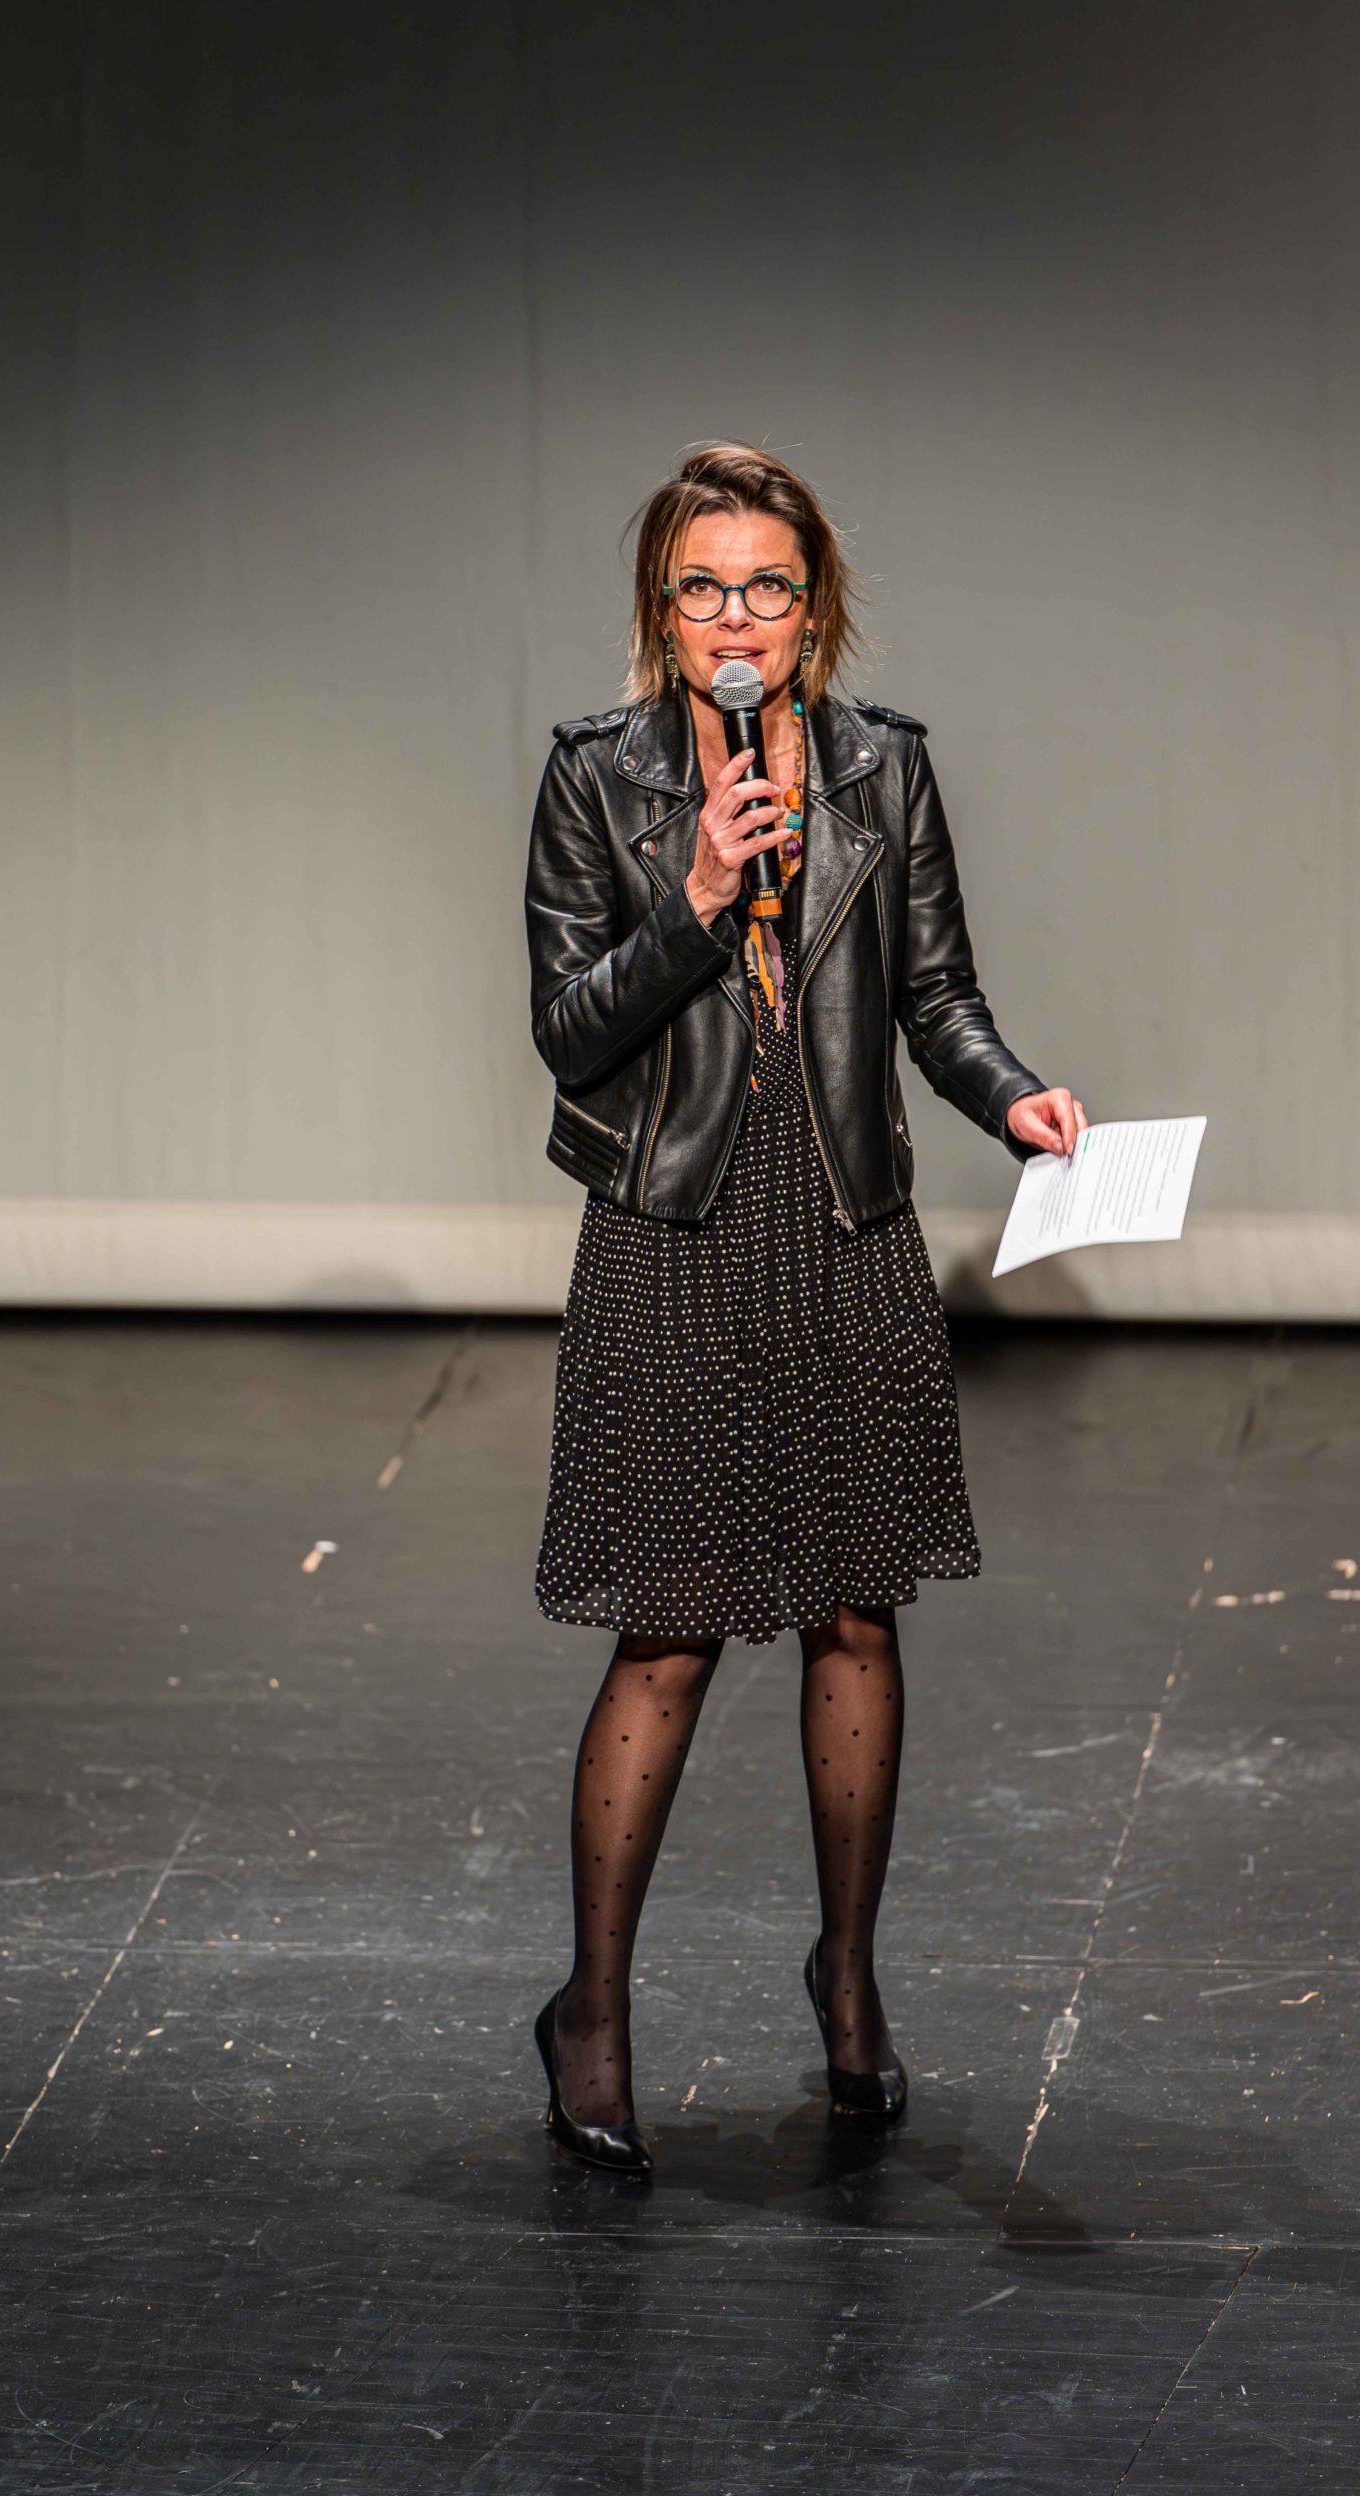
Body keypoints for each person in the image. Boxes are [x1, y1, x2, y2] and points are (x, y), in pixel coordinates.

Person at [523, 442, 1087, 2173]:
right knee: (672, 1626)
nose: (736, 618)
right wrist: (698, 900)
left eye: (767, 585)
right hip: (675, 1234)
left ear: (813, 608)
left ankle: (846, 1974)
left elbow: (938, 996)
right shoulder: (598, 780)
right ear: (662, 611)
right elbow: (569, 1030)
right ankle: (593, 2010)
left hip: (842, 1227)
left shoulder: (880, 769)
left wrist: (1014, 1098)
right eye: (703, 587)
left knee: (854, 1616)